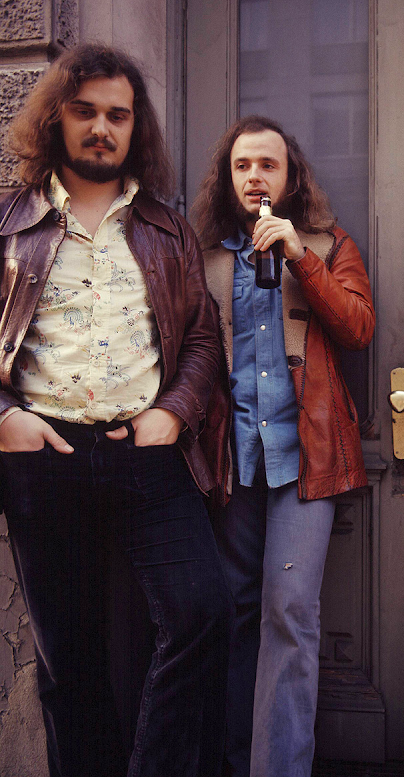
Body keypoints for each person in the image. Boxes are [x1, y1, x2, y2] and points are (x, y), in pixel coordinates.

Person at [0, 44, 232, 777]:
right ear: (57, 119)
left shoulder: (167, 227)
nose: (102, 128)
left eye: (118, 116)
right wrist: (5, 417)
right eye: (86, 111)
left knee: (202, 611)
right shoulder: (10, 221)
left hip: (147, 454)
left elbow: (203, 337)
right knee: (69, 660)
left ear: (136, 127)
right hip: (44, 458)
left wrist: (175, 412)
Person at [192, 116, 374, 777]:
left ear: (290, 176)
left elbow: (358, 328)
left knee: (290, 611)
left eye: (268, 165)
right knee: (236, 612)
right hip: (232, 462)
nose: (255, 177)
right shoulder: (205, 257)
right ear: (228, 177)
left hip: (307, 459)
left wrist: (299, 256)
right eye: (242, 165)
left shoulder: (329, 245)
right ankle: (238, 759)